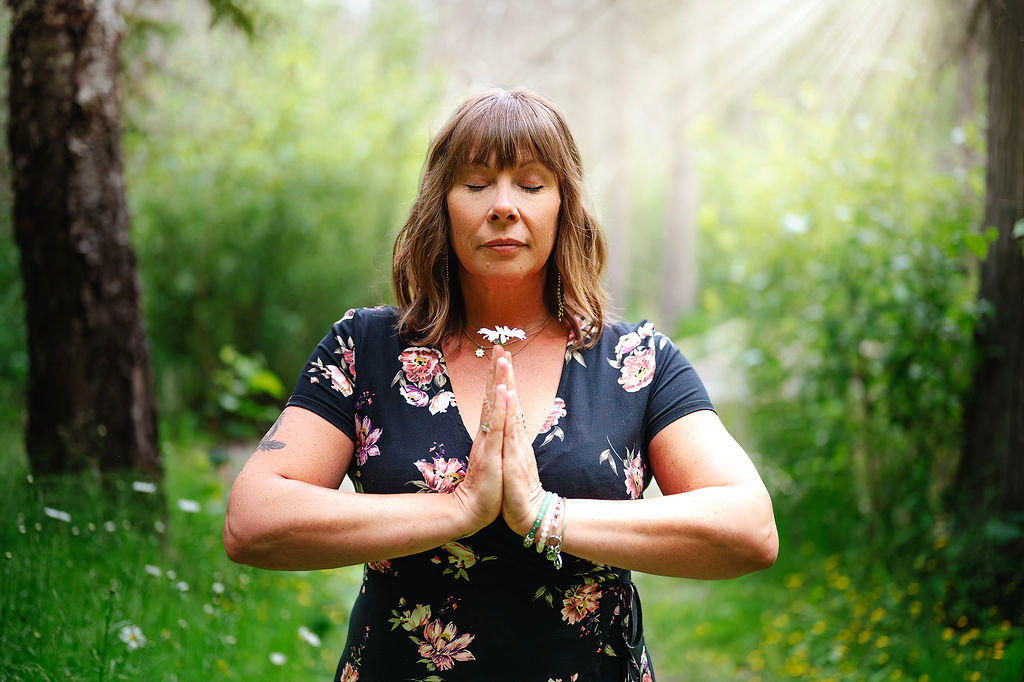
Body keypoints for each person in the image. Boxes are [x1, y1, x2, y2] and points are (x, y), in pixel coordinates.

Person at [223, 87, 778, 682]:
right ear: (442, 206)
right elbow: (252, 520)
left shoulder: (636, 362)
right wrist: (459, 509)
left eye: (532, 185)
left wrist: (543, 515)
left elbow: (749, 528)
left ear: (564, 206)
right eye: (476, 183)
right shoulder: (366, 349)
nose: (504, 206)